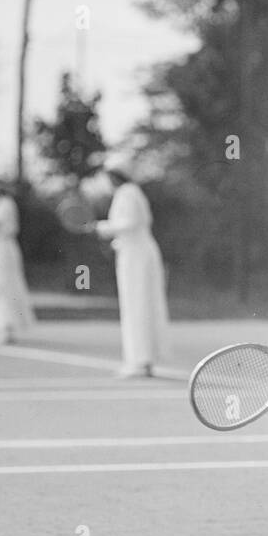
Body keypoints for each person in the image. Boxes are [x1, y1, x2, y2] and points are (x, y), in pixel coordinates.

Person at [94, 151, 171, 378]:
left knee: (136, 305)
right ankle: (141, 359)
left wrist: (100, 228)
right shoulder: (132, 193)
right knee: (139, 304)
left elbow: (129, 223)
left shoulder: (127, 193)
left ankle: (139, 361)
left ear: (116, 175)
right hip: (135, 253)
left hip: (137, 257)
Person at [0, 177, 35, 345]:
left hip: (4, 248)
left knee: (4, 286)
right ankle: (3, 328)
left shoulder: (5, 204)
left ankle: (6, 329)